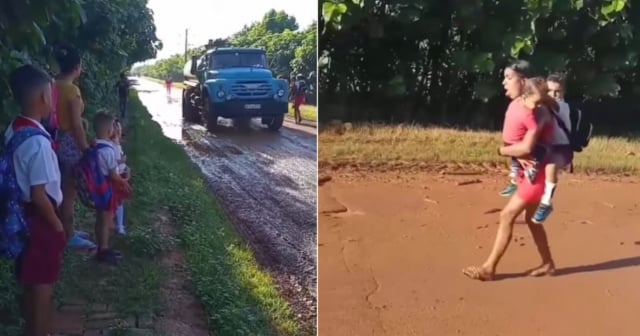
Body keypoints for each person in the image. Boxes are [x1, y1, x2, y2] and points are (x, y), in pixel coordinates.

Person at [463, 66, 556, 281]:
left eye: (509, 78)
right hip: (530, 172)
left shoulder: (537, 113)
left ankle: (488, 268)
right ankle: (548, 263)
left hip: (536, 176)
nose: (504, 82)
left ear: (523, 82)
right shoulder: (521, 104)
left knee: (506, 216)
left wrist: (502, 151)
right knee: (532, 221)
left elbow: (526, 147)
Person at [7, 64, 66, 336]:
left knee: (29, 278)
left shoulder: (14, 130)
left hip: (22, 217)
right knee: (43, 284)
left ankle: (32, 328)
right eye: (51, 95)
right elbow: (40, 196)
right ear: (44, 97)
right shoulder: (40, 144)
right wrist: (57, 225)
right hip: (41, 219)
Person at [53, 44, 96, 251]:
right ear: (77, 67)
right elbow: (77, 125)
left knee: (60, 189)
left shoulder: (52, 85)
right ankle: (69, 236)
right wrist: (86, 149)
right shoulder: (72, 90)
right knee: (69, 193)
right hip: (70, 143)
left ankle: (66, 229)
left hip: (54, 140)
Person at [529, 73, 574, 223]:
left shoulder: (561, 106)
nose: (554, 95)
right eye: (549, 91)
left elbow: (545, 103)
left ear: (563, 93)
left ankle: (546, 203)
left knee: (550, 167)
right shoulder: (542, 106)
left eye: (558, 92)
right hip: (545, 146)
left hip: (562, 148)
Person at [93, 112, 131, 264]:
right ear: (109, 131)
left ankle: (100, 245)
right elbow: (113, 175)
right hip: (106, 190)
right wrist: (125, 182)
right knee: (106, 220)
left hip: (97, 188)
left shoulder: (95, 146)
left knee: (100, 218)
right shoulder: (108, 152)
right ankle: (104, 249)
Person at [111, 119, 130, 235]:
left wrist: (126, 167)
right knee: (118, 201)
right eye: (116, 128)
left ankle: (119, 225)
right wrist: (120, 161)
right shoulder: (112, 146)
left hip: (121, 173)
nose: (118, 130)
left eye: (119, 128)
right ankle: (119, 226)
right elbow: (110, 163)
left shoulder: (117, 143)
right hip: (116, 176)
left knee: (119, 201)